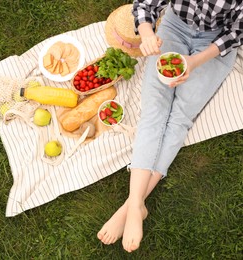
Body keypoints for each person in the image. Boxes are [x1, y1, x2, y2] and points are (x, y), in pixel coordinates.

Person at [97, 0, 242, 253]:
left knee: (180, 117)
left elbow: (237, 32)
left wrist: (195, 62)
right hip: (174, 29)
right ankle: (135, 205)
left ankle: (131, 205)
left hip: (214, 46)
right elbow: (145, 5)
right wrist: (147, 33)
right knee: (153, 112)